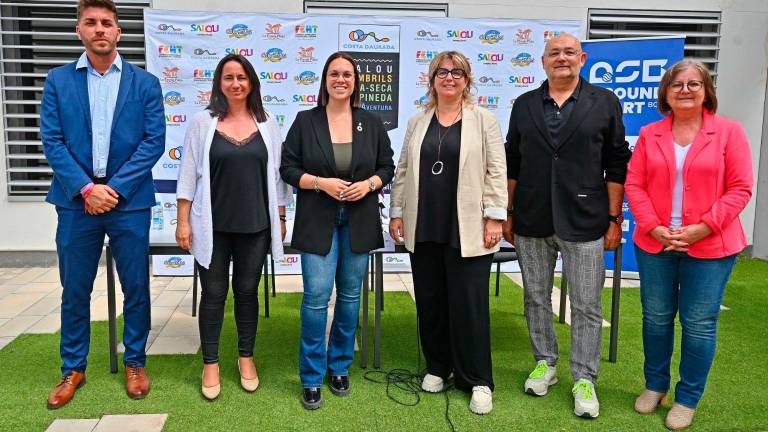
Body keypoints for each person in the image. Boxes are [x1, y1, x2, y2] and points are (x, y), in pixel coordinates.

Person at [40, 0, 164, 409]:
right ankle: (73, 367)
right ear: (79, 31)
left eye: (107, 23)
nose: (99, 29)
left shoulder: (144, 83)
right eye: (91, 23)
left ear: (118, 32)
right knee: (75, 289)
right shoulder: (58, 81)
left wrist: (114, 188)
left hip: (128, 203)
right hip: (76, 204)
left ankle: (135, 362)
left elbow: (153, 142)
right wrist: (86, 189)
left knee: (137, 288)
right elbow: (52, 142)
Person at [502, 33, 631, 418]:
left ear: (583, 58)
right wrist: (509, 212)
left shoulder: (604, 102)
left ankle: (584, 377)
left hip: (587, 220)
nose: (562, 58)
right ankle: (546, 362)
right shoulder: (524, 105)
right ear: (542, 61)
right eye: (554, 53)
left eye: (569, 52)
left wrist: (613, 218)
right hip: (532, 217)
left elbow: (616, 163)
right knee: (535, 297)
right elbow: (513, 163)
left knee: (588, 304)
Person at [625, 60, 753, 430]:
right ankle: (655, 385)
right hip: (657, 244)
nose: (685, 90)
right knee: (657, 318)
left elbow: (741, 188)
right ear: (665, 92)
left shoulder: (729, 132)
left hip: (711, 245)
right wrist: (652, 226)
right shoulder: (651, 133)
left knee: (698, 323)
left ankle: (687, 397)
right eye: (677, 84)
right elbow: (635, 185)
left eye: (694, 83)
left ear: (706, 91)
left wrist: (704, 227)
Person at [388, 50, 507, 415]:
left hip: (468, 227)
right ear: (432, 79)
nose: (449, 77)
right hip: (425, 225)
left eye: (457, 72)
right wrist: (396, 212)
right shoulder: (417, 121)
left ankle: (477, 379)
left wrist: (494, 218)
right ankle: (438, 367)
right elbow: (404, 169)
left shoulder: (483, 120)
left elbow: (496, 171)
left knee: (469, 306)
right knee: (431, 301)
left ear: (467, 80)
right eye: (442, 71)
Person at [280, 52, 395, 410]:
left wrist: (371, 184)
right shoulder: (305, 121)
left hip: (358, 219)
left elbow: (387, 166)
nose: (341, 79)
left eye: (347, 74)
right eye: (334, 73)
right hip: (318, 220)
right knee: (316, 298)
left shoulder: (372, 123)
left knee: (348, 298)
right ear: (325, 80)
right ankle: (311, 377)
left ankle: (339, 367)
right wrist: (319, 183)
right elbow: (287, 168)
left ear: (355, 81)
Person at [175, 54, 291, 401]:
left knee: (246, 293)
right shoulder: (202, 122)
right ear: (219, 83)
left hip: (255, 226)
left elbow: (278, 177)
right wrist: (183, 221)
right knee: (212, 296)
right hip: (212, 226)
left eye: (242, 77)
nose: (236, 83)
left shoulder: (267, 122)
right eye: (228, 78)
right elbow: (188, 174)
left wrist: (281, 217)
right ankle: (210, 363)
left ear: (251, 82)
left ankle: (246, 358)